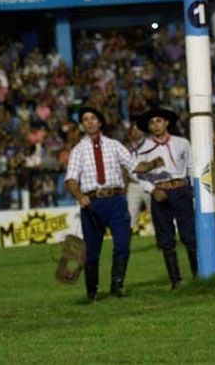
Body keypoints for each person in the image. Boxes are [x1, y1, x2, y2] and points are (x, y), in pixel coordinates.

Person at [64, 107, 159, 300]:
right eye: (85, 119)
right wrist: (79, 195)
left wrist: (153, 164)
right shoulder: (78, 151)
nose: (89, 122)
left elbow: (134, 166)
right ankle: (92, 292)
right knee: (92, 251)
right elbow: (71, 179)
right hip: (92, 202)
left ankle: (117, 286)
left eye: (93, 118)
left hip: (116, 201)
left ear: (100, 122)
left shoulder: (115, 145)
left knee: (123, 245)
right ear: (83, 125)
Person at [131, 107, 196, 289]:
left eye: (159, 120)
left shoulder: (182, 143)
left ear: (166, 122)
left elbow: (191, 167)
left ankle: (198, 276)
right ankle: (175, 281)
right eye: (152, 122)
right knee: (166, 239)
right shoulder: (142, 149)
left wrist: (191, 190)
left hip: (181, 190)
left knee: (189, 235)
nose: (156, 125)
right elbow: (138, 176)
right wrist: (152, 190)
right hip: (160, 193)